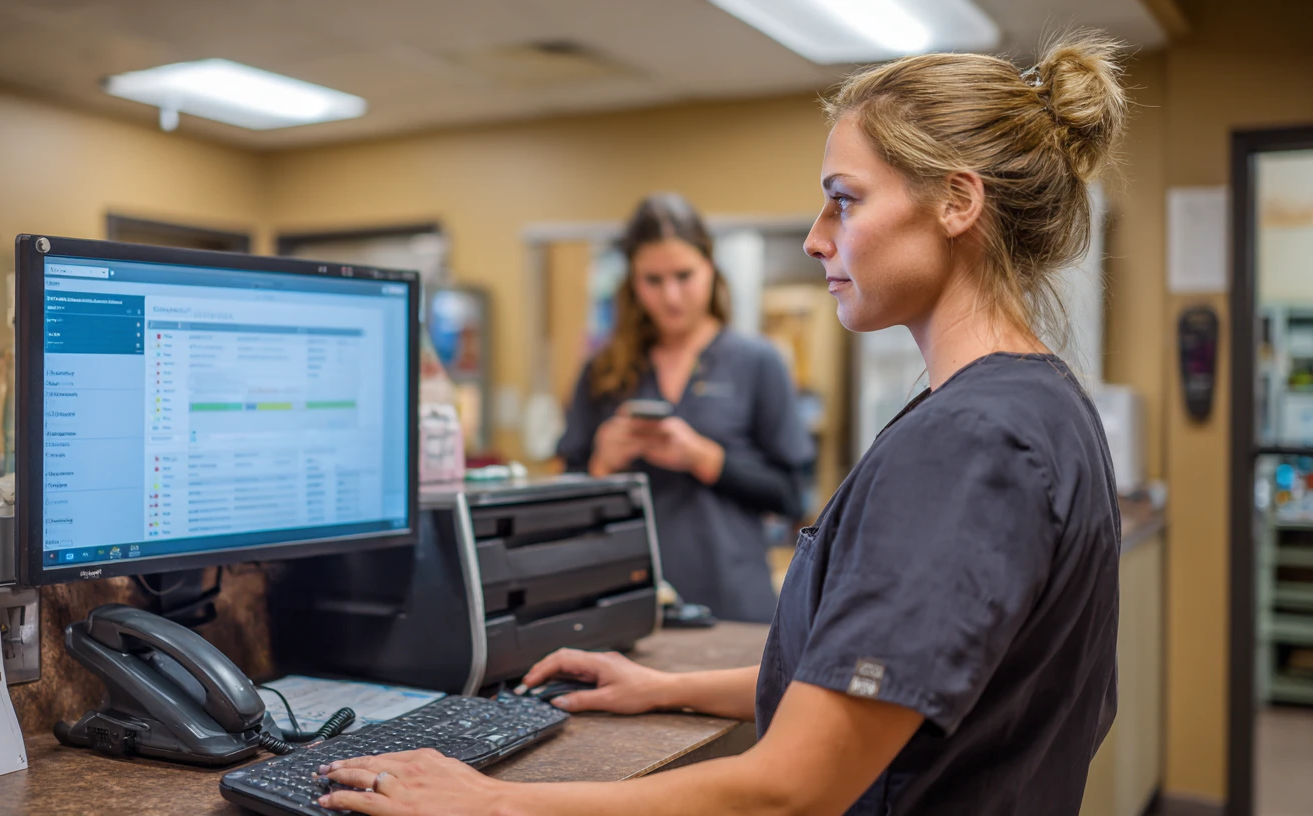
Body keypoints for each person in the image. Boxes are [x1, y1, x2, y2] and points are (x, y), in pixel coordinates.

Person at [313, 30, 1126, 816]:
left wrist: (493, 803)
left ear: (957, 201)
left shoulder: (969, 444)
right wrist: (665, 688)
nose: (816, 239)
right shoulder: (1043, 403)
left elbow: (789, 790)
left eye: (844, 201)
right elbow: (870, 682)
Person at [555, 192, 814, 623]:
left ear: (711, 269)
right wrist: (602, 463)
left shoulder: (757, 361)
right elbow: (562, 504)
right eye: (652, 281)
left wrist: (703, 458)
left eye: (684, 275)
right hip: (624, 602)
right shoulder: (603, 371)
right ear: (632, 284)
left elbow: (791, 496)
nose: (670, 296)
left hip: (731, 603)